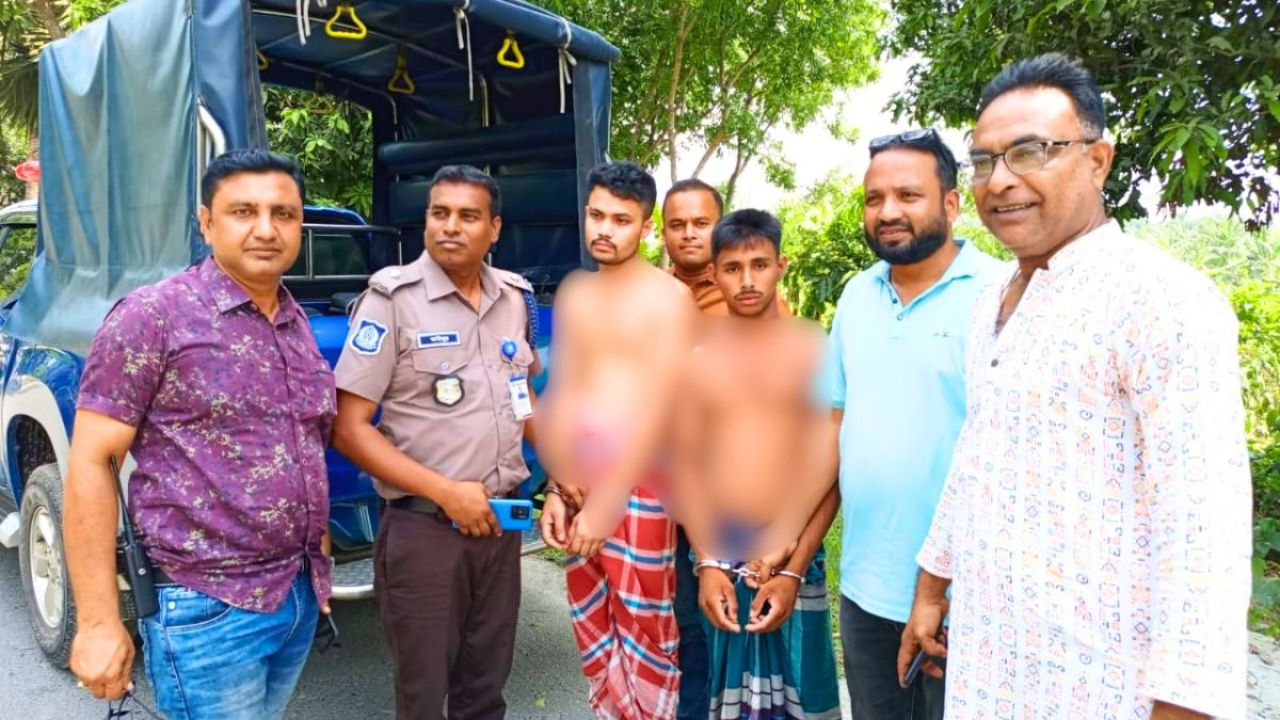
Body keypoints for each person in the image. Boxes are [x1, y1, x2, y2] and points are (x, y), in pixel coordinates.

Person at [900, 53, 1252, 720]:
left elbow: (1204, 535)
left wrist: (1183, 708)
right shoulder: (991, 302)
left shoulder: (1163, 301)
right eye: (984, 161)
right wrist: (930, 589)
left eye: (1030, 152)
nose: (1001, 180)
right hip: (991, 670)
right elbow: (977, 457)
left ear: (1098, 161)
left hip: (1103, 689)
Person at [64, 148, 335, 719]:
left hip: (296, 593)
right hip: (206, 606)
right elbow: (91, 462)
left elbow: (305, 445)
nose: (266, 229)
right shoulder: (152, 317)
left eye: (284, 214)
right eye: (244, 212)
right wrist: (98, 622)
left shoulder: (294, 320)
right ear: (207, 223)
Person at [331, 165, 539, 720]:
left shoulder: (514, 299)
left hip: (499, 528)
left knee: (485, 690)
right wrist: (446, 493)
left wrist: (564, 472)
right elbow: (348, 428)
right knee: (423, 696)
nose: (450, 226)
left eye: (468, 216)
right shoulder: (392, 300)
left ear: (494, 228)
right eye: (439, 213)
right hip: (425, 532)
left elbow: (520, 394)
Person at [821, 128, 1005, 719]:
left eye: (908, 195)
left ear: (951, 203)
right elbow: (834, 430)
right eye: (874, 199)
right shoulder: (857, 295)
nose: (888, 212)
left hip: (968, 595)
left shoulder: (1000, 294)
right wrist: (791, 550)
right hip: (865, 586)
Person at [538, 161, 696, 719]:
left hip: (641, 483)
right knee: (592, 624)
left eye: (621, 220)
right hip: (580, 478)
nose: (605, 229)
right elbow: (563, 391)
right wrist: (556, 485)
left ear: (646, 227)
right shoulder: (575, 293)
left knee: (645, 625)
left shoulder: (669, 298)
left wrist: (609, 499)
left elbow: (662, 408)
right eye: (597, 215)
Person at [674, 208, 841, 720]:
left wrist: (793, 567)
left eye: (759, 265)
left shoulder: (814, 348)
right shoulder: (700, 358)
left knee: (802, 693)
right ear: (714, 273)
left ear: (781, 265)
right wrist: (705, 564)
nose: (747, 281)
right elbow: (686, 467)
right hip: (721, 551)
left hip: (793, 551)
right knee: (723, 697)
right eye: (732, 268)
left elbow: (831, 465)